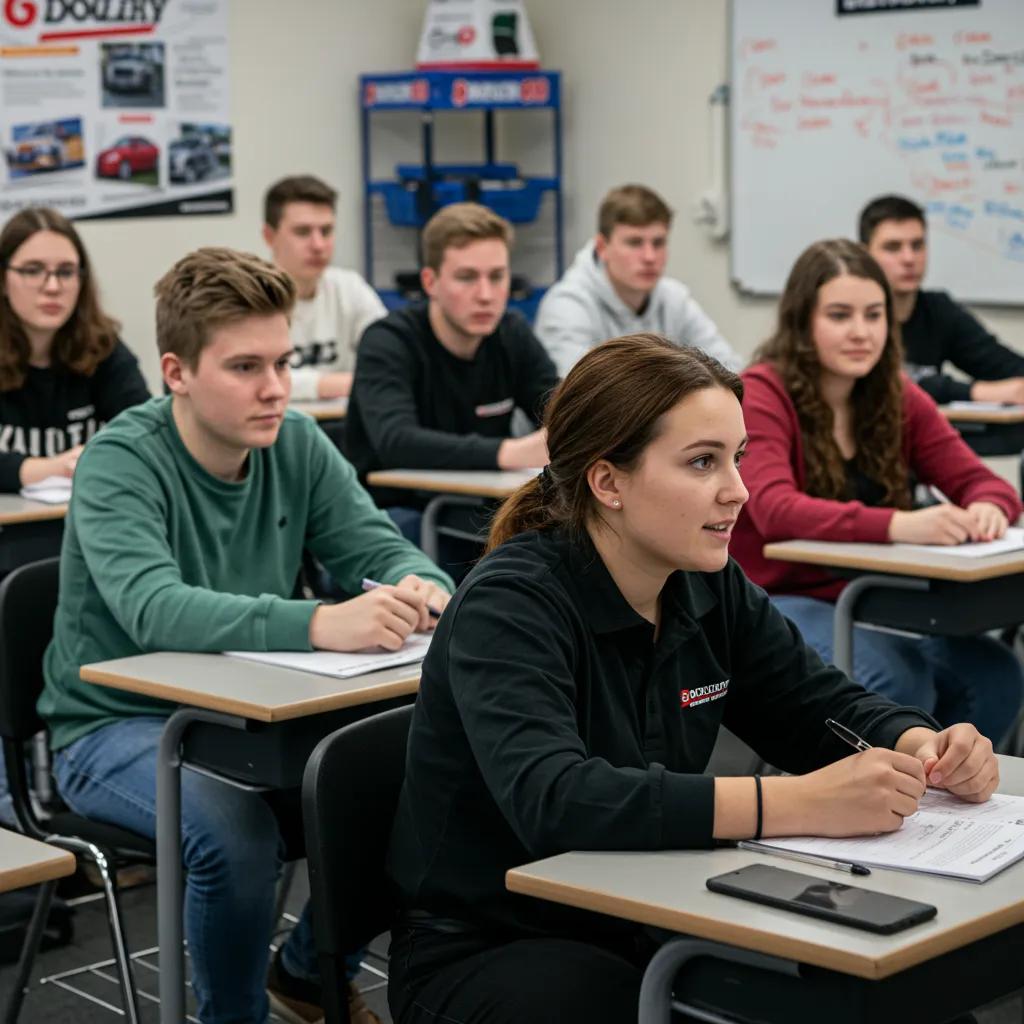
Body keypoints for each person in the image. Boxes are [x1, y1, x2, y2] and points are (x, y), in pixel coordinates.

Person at [386, 332, 998, 1024]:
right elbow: (557, 799)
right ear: (607, 481)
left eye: (737, 458)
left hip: (647, 906)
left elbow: (812, 705)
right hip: (493, 942)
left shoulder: (705, 582)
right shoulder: (512, 602)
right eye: (702, 463)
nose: (737, 491)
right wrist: (796, 803)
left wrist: (922, 744)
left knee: (906, 999)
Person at [38, 247, 454, 1024]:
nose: (274, 388)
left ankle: (303, 975)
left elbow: (378, 547)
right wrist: (321, 623)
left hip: (254, 715)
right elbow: (153, 609)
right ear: (177, 372)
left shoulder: (291, 440)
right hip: (109, 728)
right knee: (236, 840)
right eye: (244, 367)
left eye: (283, 362)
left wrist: (419, 584)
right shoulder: (120, 460)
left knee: (417, 783)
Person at [732, 238, 1023, 743]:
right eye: (840, 315)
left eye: (874, 315)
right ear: (803, 321)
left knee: (993, 674)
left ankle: (950, 809)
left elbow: (985, 482)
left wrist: (988, 508)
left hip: (867, 594)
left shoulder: (895, 395)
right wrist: (900, 524)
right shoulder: (761, 393)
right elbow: (776, 510)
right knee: (896, 679)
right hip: (773, 596)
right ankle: (880, 806)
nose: (861, 332)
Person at [345, 202, 559, 562]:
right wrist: (509, 453)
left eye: (497, 276)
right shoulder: (387, 342)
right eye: (467, 277)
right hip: (395, 512)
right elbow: (396, 441)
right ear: (430, 282)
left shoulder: (511, 333)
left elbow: (562, 407)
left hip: (478, 506)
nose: (486, 294)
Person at [0, 206, 150, 493]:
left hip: (86, 523)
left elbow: (148, 437)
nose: (53, 286)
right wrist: (49, 468)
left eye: (66, 272)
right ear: (3, 281)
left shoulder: (104, 350)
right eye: (33, 270)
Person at [534, 183, 742, 377]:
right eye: (635, 243)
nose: (649, 257)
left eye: (658, 243)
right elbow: (578, 400)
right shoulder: (566, 306)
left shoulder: (674, 298)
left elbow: (728, 370)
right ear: (602, 247)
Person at [859, 194, 1024, 406]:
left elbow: (1003, 365)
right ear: (865, 255)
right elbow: (885, 385)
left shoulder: (937, 310)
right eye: (893, 247)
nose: (909, 259)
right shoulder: (856, 316)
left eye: (917, 245)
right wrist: (976, 392)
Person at [263, 174, 386, 401]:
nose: (318, 245)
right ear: (270, 237)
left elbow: (391, 356)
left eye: (326, 231)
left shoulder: (349, 287)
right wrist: (342, 384)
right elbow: (258, 382)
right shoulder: (247, 295)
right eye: (302, 232)